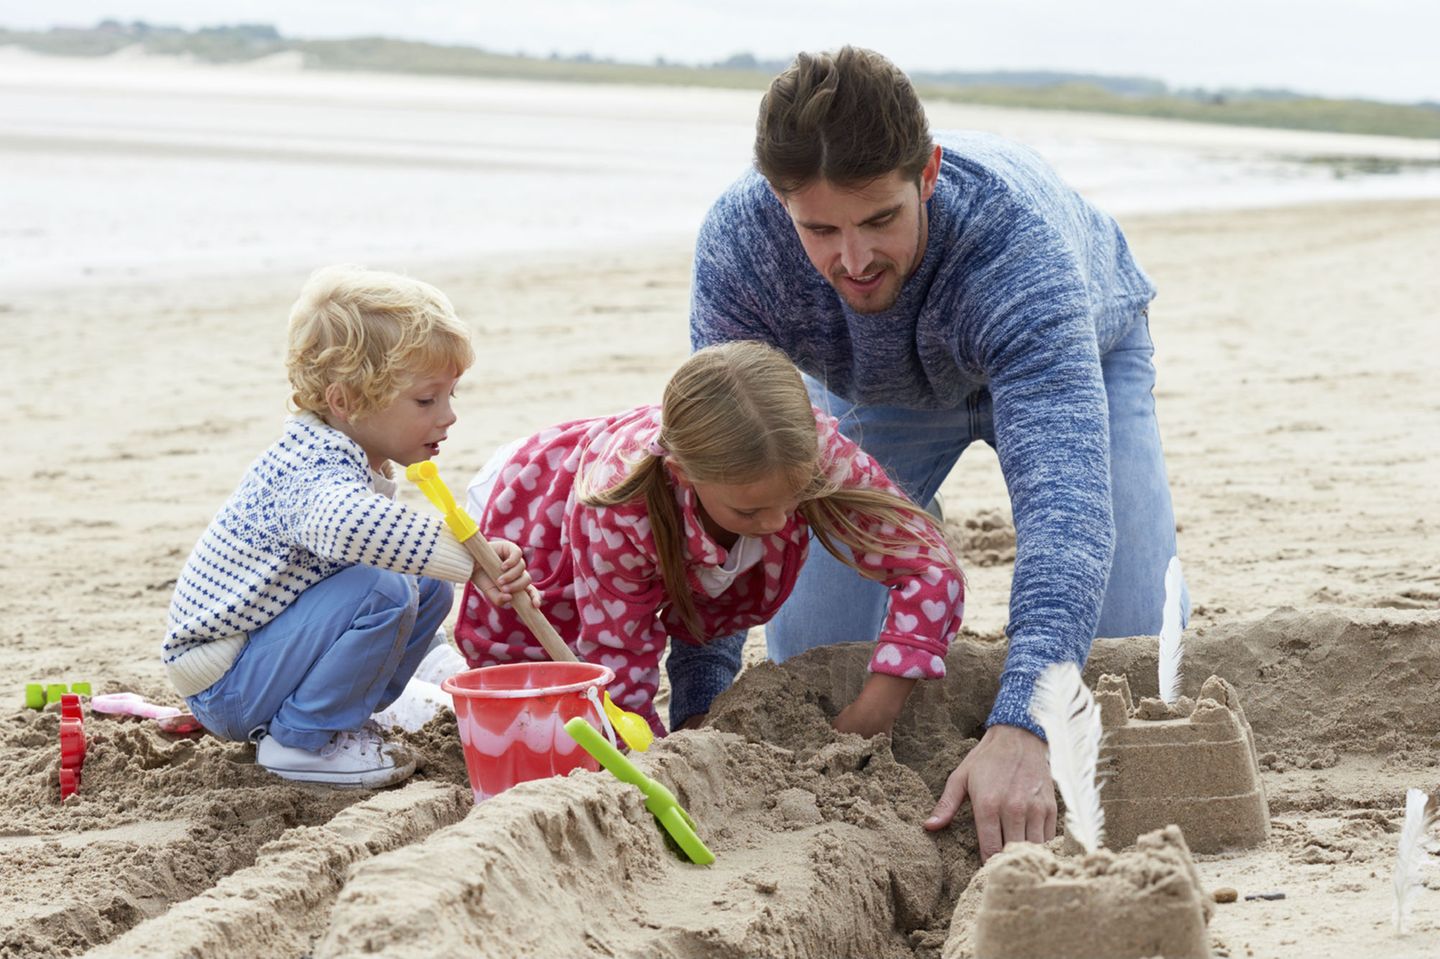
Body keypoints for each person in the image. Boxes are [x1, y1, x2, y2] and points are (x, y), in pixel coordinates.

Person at [673, 46, 1190, 860]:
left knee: (1121, 654)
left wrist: (1025, 722)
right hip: (881, 390)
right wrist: (691, 715)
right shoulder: (742, 247)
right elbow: (716, 491)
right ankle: (914, 528)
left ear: (929, 173)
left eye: (880, 219)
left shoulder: (1014, 245)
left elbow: (1066, 510)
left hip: (1073, 341)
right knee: (817, 650)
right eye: (821, 229)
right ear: (781, 204)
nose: (853, 259)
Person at [451, 340, 965, 738]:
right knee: (545, 699)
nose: (776, 523)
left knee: (719, 585)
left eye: (795, 502)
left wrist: (878, 704)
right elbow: (616, 657)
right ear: (683, 472)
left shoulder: (808, 449)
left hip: (691, 526)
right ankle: (431, 671)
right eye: (753, 509)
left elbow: (930, 565)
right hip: (535, 507)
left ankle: (697, 711)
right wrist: (649, 755)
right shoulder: (617, 508)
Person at [162, 265, 535, 788]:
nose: (447, 416)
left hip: (267, 659)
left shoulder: (359, 459)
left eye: (451, 395)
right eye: (426, 400)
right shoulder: (310, 466)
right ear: (345, 401)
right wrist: (469, 559)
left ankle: (339, 719)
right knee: (382, 586)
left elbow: (389, 565)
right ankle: (298, 743)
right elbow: (352, 529)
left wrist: (448, 634)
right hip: (227, 682)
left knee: (423, 584)